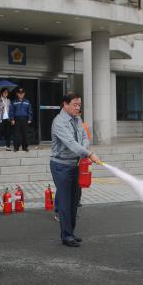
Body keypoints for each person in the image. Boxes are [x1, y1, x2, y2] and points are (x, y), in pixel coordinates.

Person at [50, 92, 101, 247]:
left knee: (74, 201)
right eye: (75, 105)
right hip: (62, 166)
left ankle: (70, 232)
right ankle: (66, 236)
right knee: (65, 202)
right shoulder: (59, 122)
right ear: (65, 104)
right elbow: (71, 143)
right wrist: (89, 153)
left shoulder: (77, 119)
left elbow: (85, 137)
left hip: (76, 164)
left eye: (79, 105)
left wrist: (84, 151)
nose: (78, 108)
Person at [9, 88, 33, 152]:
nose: (21, 94)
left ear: (24, 94)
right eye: (19, 93)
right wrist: (12, 119)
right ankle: (16, 148)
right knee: (16, 134)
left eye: (22, 93)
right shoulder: (14, 102)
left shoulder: (27, 101)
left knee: (25, 134)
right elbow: (11, 111)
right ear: (17, 94)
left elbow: (30, 111)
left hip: (25, 119)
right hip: (16, 120)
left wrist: (29, 119)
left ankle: (25, 147)